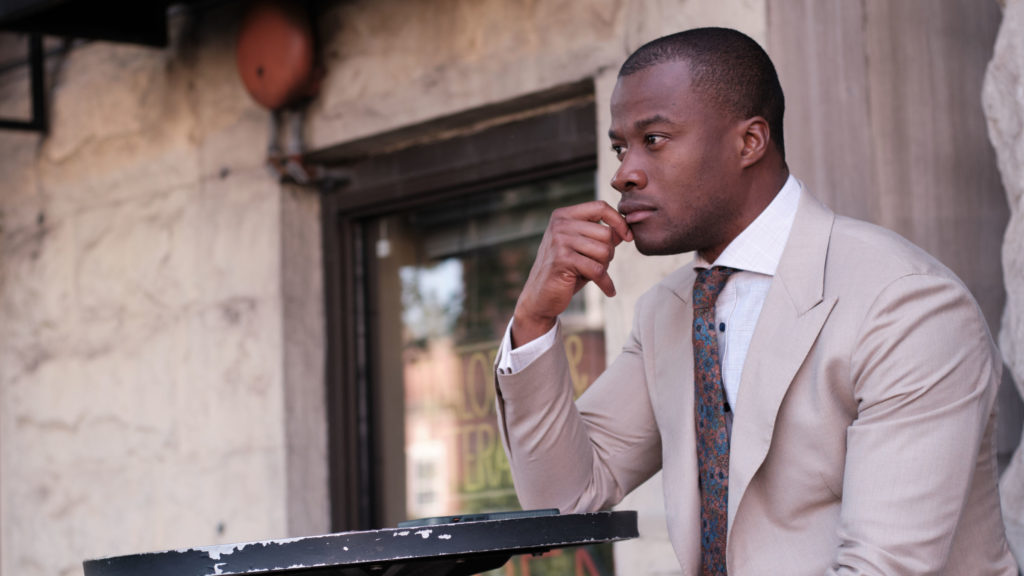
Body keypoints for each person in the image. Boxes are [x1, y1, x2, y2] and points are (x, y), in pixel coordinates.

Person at [493, 27, 1017, 575]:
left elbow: (886, 569)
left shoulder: (905, 304)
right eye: (621, 147)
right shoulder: (666, 312)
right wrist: (535, 319)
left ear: (750, 142)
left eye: (654, 139)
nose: (625, 172)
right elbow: (564, 499)